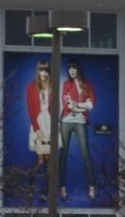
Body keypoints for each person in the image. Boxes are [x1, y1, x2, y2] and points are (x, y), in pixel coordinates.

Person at [60, 60, 97, 200]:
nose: (72, 71)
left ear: (78, 69)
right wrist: (82, 105)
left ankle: (92, 185)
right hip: (66, 120)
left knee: (85, 153)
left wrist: (77, 104)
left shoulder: (87, 84)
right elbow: (66, 105)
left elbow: (93, 103)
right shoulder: (66, 84)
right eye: (70, 69)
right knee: (63, 154)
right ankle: (62, 186)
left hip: (81, 120)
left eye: (74, 68)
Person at [24, 60, 54, 194]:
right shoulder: (31, 87)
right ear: (38, 71)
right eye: (41, 70)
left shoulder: (53, 86)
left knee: (49, 160)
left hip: (50, 122)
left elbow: (55, 107)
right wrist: (37, 129)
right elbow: (31, 109)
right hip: (38, 122)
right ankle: (30, 187)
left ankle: (46, 192)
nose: (44, 73)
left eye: (46, 70)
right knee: (41, 160)